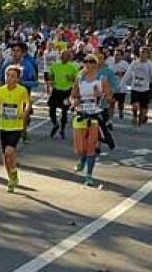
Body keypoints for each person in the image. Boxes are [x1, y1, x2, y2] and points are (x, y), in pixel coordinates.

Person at [71, 54, 110, 187]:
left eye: (91, 61)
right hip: (81, 114)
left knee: (91, 147)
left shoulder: (101, 79)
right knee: (80, 148)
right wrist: (75, 102)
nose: (88, 64)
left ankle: (89, 175)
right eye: (86, 61)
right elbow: (73, 96)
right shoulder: (79, 78)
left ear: (96, 64)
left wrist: (101, 95)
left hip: (94, 116)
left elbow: (109, 97)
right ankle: (82, 158)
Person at [0, 65, 31, 192]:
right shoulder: (0, 90)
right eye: (8, 76)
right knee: (5, 156)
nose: (10, 78)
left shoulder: (22, 90)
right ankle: (11, 178)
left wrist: (25, 112)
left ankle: (13, 170)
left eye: (13, 76)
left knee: (9, 151)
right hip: (4, 126)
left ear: (18, 79)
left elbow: (28, 103)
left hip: (16, 126)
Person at [0, 42, 39, 142]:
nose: (15, 53)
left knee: (24, 116)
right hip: (8, 96)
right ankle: (13, 133)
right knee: (10, 117)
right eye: (13, 51)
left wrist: (22, 82)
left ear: (22, 53)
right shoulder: (7, 64)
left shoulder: (28, 66)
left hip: (23, 95)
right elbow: (0, 78)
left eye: (17, 51)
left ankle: (23, 131)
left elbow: (35, 82)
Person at [46, 48, 80, 140]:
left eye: (66, 55)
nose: (63, 57)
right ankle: (55, 124)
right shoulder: (55, 65)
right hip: (56, 90)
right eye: (62, 55)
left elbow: (77, 80)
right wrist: (51, 82)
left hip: (66, 92)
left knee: (64, 111)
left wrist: (72, 79)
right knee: (51, 108)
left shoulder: (73, 67)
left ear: (69, 57)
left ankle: (62, 129)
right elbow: (50, 75)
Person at [121, 47, 152, 126]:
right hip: (135, 88)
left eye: (144, 52)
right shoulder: (135, 63)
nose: (142, 54)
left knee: (143, 110)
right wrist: (122, 84)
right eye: (141, 52)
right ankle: (134, 115)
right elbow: (128, 74)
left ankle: (140, 123)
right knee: (135, 105)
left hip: (145, 89)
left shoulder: (150, 65)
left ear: (148, 54)